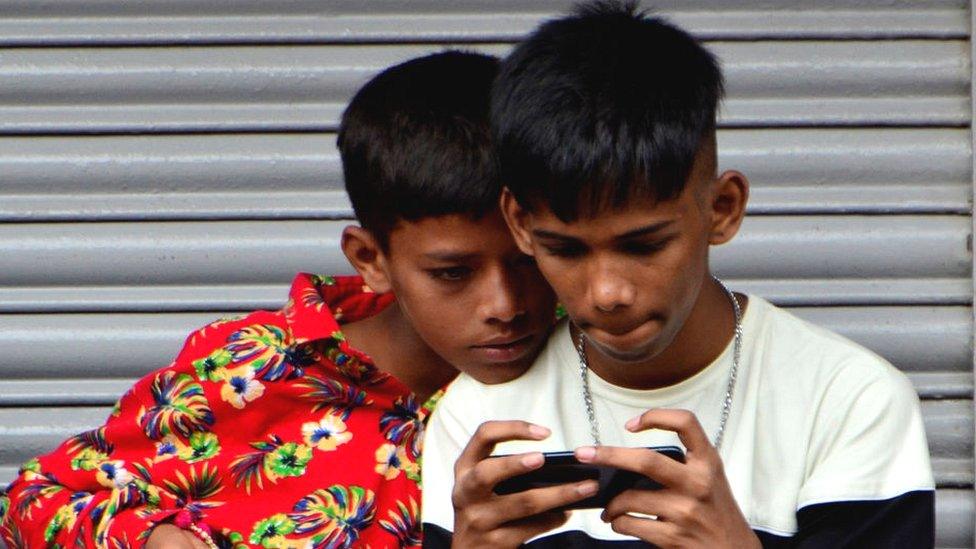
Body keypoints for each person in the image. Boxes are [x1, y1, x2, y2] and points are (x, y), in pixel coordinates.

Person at [421, 2, 935, 547]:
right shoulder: (480, 417)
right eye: (565, 250)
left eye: (644, 245)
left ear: (722, 209)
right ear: (520, 226)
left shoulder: (847, 401)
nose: (607, 293)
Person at [0, 51, 556, 549]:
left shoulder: (597, 361)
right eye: (453, 273)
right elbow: (33, 501)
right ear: (370, 260)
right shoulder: (249, 369)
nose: (505, 305)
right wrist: (151, 537)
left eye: (531, 259)